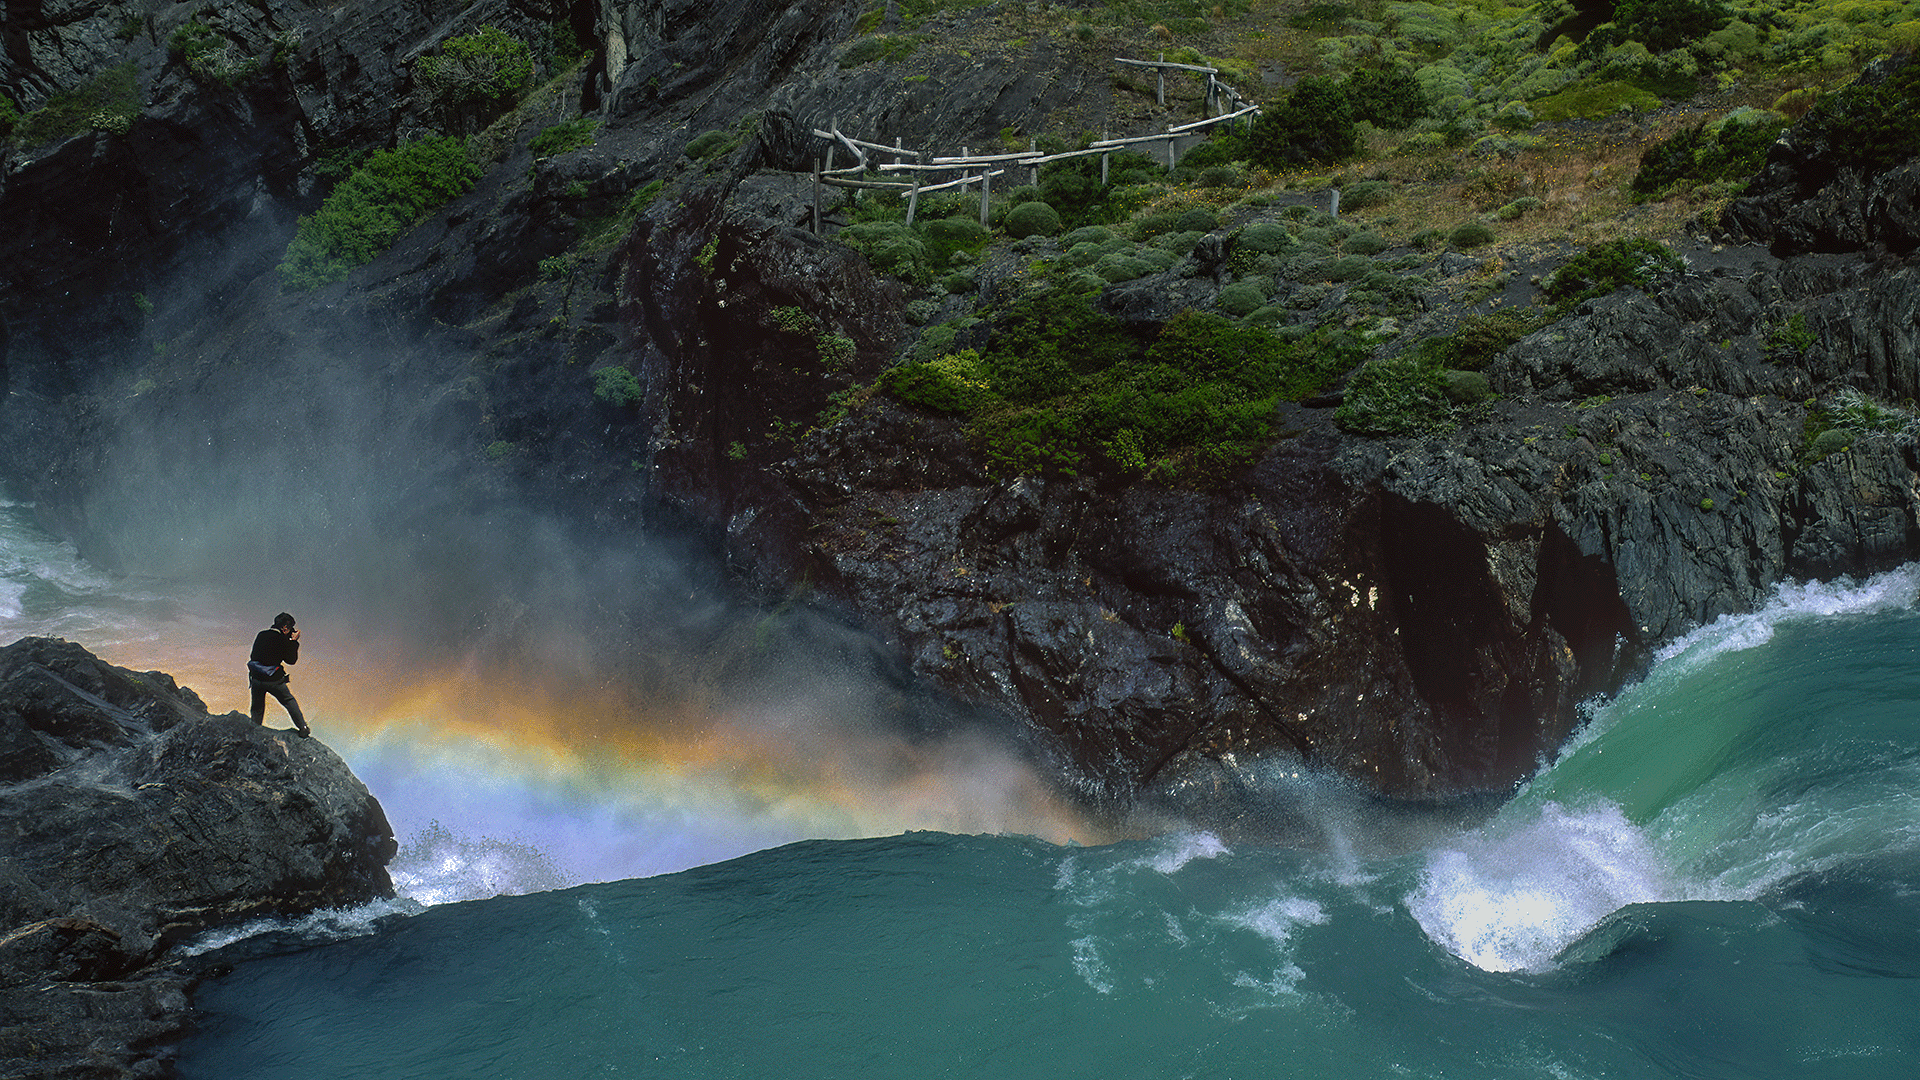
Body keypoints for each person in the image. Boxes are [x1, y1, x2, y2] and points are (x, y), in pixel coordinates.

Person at [248, 612, 311, 737]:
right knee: (288, 701)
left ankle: (254, 731)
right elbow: (291, 660)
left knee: (257, 707)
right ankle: (303, 728)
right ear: (285, 628)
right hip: (274, 681)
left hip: (256, 678)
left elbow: (253, 655)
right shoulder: (282, 640)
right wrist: (293, 642)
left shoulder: (261, 634)